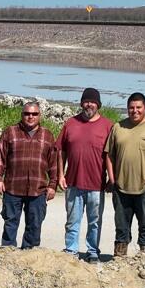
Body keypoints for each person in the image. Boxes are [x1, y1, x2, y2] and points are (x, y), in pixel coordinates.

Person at [104, 92, 145, 256]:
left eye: (138, 107)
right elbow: (108, 155)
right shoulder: (118, 127)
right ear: (127, 109)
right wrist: (112, 179)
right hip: (121, 187)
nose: (135, 111)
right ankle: (120, 257)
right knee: (121, 225)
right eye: (131, 108)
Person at [0, 101, 59, 249]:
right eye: (27, 114)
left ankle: (29, 255)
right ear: (22, 115)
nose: (30, 117)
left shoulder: (47, 135)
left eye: (34, 114)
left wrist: (53, 185)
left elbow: (53, 163)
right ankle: (8, 253)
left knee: (34, 225)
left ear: (40, 116)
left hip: (38, 189)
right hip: (13, 188)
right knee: (10, 223)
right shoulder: (10, 132)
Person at [57, 87, 113, 262]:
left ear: (98, 105)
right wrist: (60, 175)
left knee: (94, 221)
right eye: (86, 101)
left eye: (93, 102)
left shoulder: (108, 126)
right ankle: (71, 250)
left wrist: (112, 178)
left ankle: (92, 251)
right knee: (72, 221)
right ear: (82, 103)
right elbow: (61, 151)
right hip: (73, 182)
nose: (89, 105)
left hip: (96, 184)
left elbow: (112, 155)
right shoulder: (70, 123)